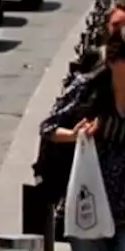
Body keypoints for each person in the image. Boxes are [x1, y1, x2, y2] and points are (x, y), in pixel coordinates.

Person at [41, 24, 125, 249]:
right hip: (88, 206)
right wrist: (74, 135)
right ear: (112, 61)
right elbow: (48, 128)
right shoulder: (88, 88)